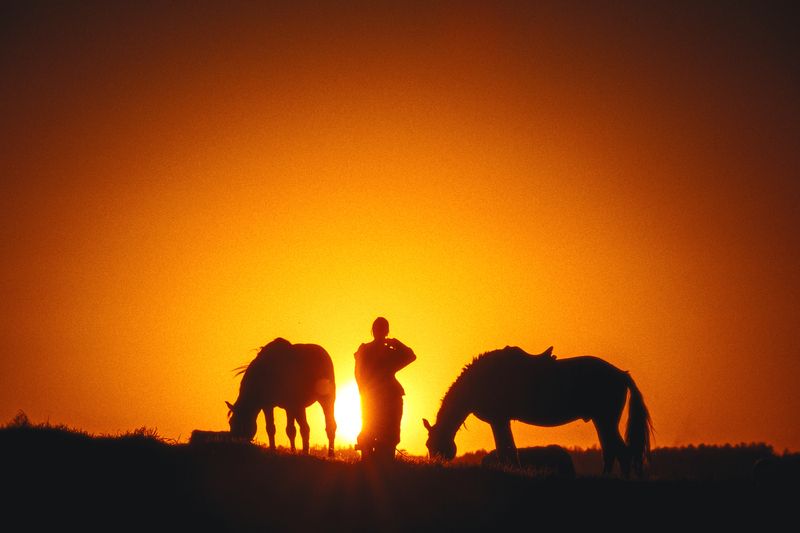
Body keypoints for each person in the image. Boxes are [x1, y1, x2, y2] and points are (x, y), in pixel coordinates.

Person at [355, 317, 416, 462]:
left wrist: (395, 343)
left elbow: (411, 356)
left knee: (387, 433)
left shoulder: (373, 351)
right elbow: (410, 355)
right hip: (376, 397)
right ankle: (373, 462)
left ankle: (379, 461)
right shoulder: (370, 351)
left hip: (383, 398)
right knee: (373, 432)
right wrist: (396, 343)